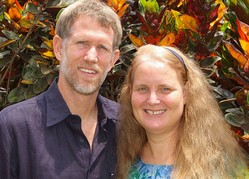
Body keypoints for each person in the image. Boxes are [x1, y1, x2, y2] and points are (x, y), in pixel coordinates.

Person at [0, 0, 122, 178]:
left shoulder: (125, 125)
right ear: (58, 48)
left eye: (102, 47)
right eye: (82, 43)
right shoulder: (13, 128)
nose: (91, 57)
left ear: (113, 59)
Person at [117, 44, 249, 178]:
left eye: (165, 89)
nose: (152, 100)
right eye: (143, 88)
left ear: (185, 93)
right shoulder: (120, 160)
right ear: (130, 94)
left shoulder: (222, 168)